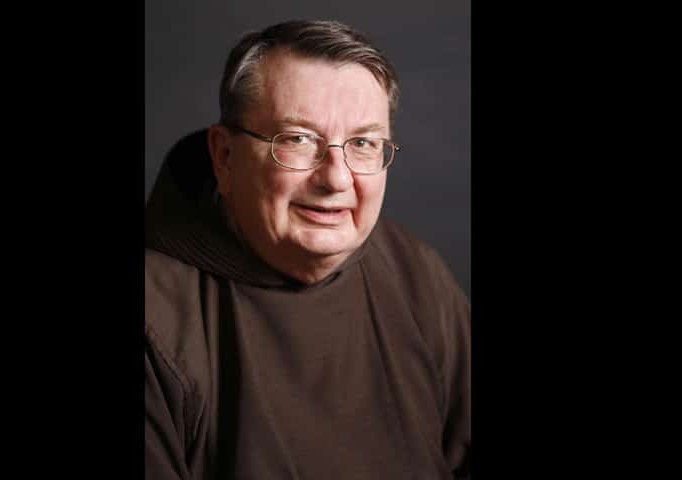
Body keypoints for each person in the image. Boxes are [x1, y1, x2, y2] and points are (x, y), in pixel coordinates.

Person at [145, 20, 470, 479]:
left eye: (363, 143)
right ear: (224, 156)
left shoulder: (415, 271)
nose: (336, 178)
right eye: (297, 139)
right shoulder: (155, 318)